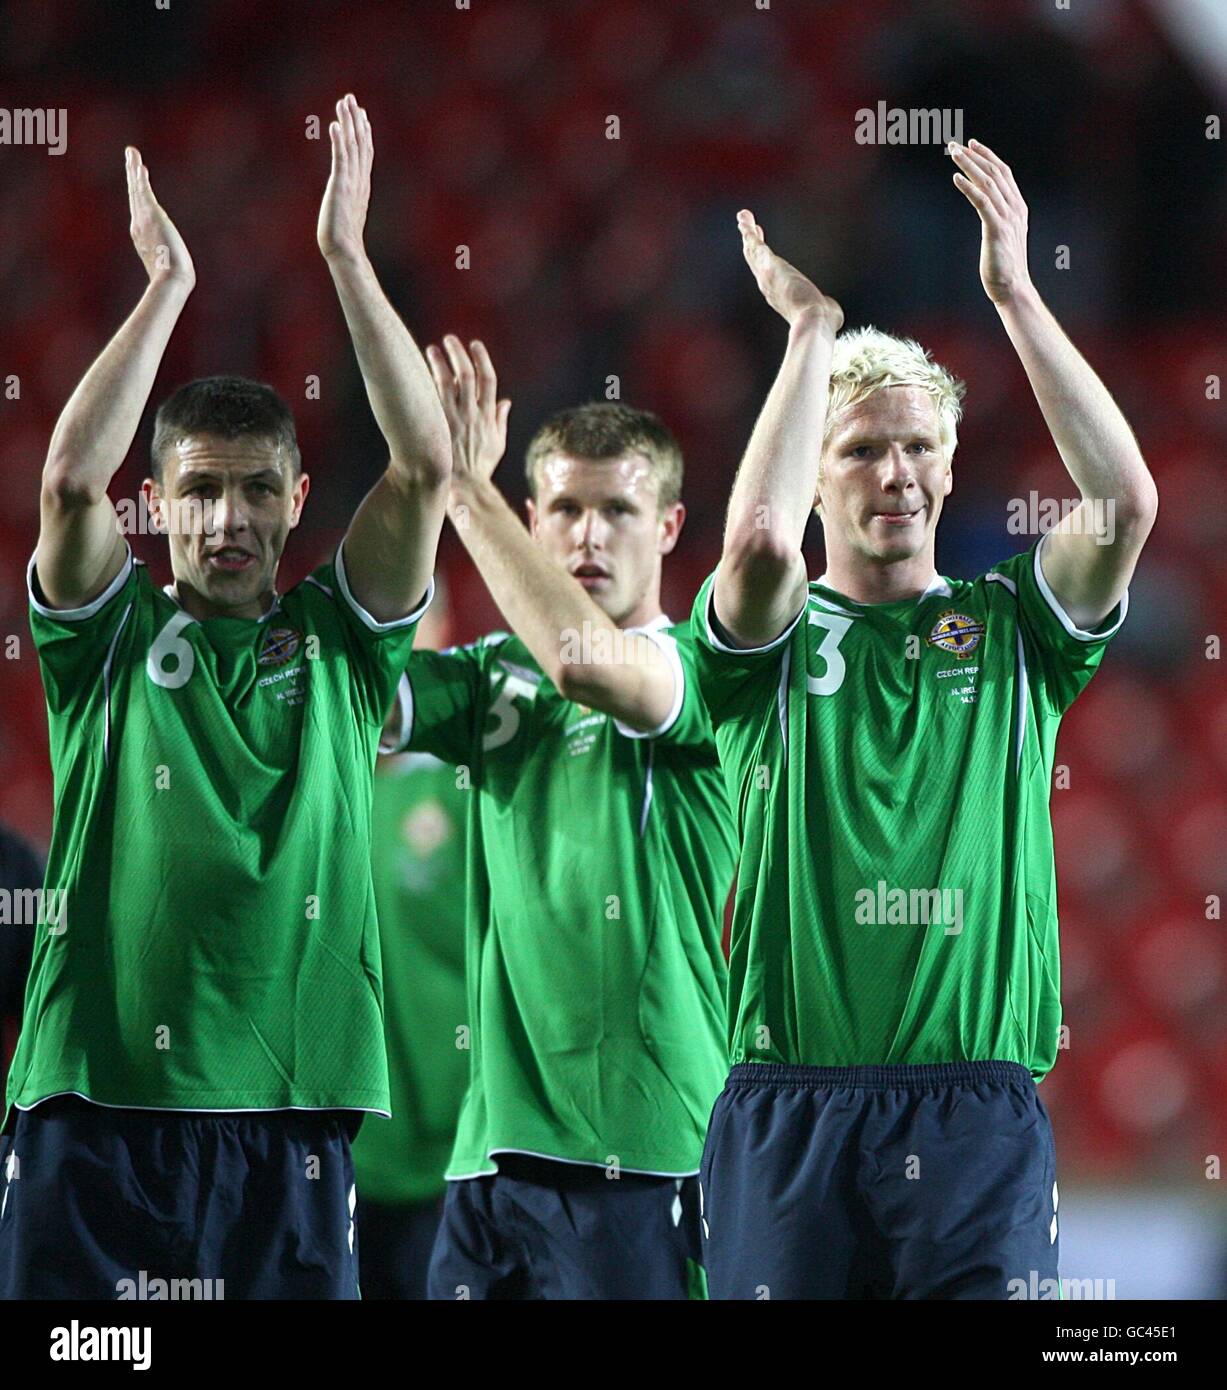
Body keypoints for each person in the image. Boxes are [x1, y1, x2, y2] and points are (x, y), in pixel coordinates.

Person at [0, 95, 451, 1299]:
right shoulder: (107, 646)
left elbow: (425, 468)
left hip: (291, 1123)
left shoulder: (344, 654)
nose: (227, 519)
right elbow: (66, 482)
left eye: (258, 490)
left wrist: (348, 259)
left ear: (299, 502)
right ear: (161, 506)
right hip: (95, 1108)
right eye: (197, 491)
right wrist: (164, 293)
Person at [692, 139, 1157, 1299]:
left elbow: (1126, 502)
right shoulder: (765, 648)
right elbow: (756, 544)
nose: (895, 471)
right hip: (788, 1105)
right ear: (818, 473)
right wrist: (810, 339)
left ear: (952, 465)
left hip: (975, 1116)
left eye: (919, 445)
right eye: (861, 449)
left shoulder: (1014, 633)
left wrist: (1015, 296)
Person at [381, 337, 736, 1299]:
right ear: (532, 519)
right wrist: (417, 485)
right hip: (488, 1153)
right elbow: (348, 692)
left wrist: (463, 492)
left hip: (642, 1141)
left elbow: (583, 661)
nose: (588, 536)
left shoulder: (705, 666)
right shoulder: (488, 678)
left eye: (617, 510)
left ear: (667, 526)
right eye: (567, 511)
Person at [352, 581, 470, 1300]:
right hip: (346, 1153)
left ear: (446, 630)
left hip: (460, 1153)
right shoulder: (324, 788)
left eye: (413, 623)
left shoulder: (473, 787)